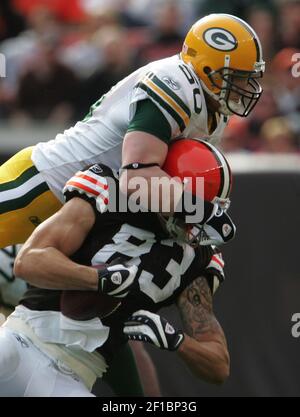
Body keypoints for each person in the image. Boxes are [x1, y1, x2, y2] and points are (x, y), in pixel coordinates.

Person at [0, 13, 265, 248]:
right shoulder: (175, 84)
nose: (244, 87)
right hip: (45, 184)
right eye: (237, 77)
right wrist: (202, 212)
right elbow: (137, 178)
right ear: (208, 68)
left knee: (40, 301)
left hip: (93, 211)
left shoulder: (214, 110)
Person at [0, 140, 233, 396]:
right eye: (193, 209)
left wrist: (176, 340)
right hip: (22, 339)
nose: (196, 222)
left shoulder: (196, 259)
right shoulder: (109, 193)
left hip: (74, 376)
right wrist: (96, 279)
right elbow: (28, 261)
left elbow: (219, 365)